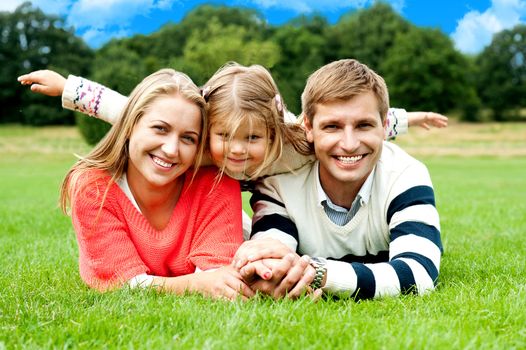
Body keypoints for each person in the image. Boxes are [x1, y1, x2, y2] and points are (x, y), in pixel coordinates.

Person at [233, 59, 443, 300]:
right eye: (332, 126)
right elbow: (269, 264)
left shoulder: (406, 174)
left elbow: (418, 275)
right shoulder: (280, 181)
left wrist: (318, 273)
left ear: (385, 126)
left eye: (364, 125)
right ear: (309, 128)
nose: (349, 144)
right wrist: (274, 274)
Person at [52, 68, 255, 300]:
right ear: (129, 125)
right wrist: (196, 284)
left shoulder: (216, 181)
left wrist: (206, 281)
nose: (171, 150)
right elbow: (123, 284)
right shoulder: (94, 188)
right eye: (160, 129)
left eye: (188, 138)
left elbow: (217, 278)